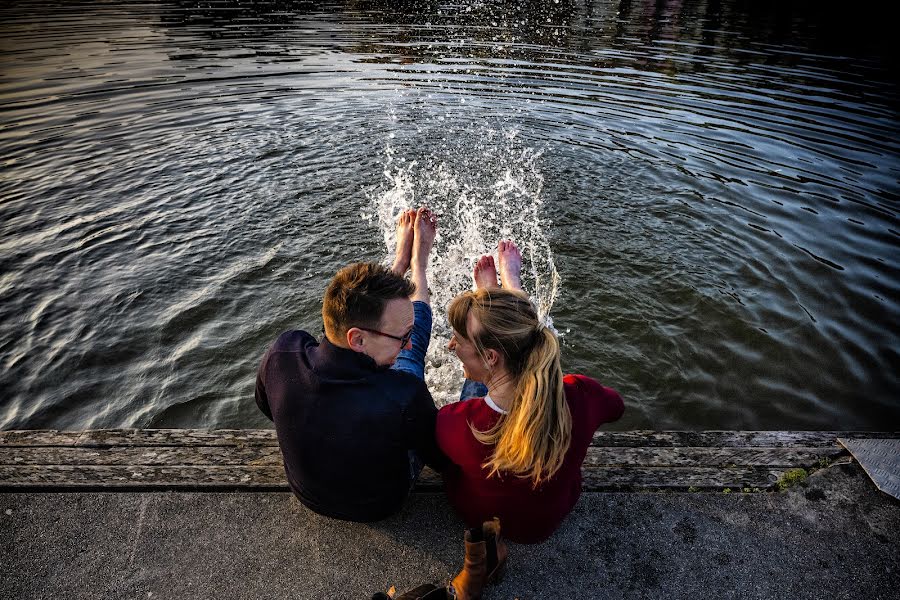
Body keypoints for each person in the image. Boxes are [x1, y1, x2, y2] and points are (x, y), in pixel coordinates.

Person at [255, 207, 448, 522]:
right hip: (379, 504)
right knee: (412, 359)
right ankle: (419, 266)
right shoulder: (401, 394)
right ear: (357, 339)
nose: (407, 343)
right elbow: (441, 459)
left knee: (398, 337)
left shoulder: (283, 353)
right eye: (401, 337)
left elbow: (268, 408)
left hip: (307, 494)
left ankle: (400, 265)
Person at [437, 240, 625, 545]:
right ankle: (511, 301)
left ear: (490, 358)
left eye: (459, 339)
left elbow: (443, 458)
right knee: (517, 365)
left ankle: (500, 300)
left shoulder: (458, 421)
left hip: (478, 516)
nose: (450, 346)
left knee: (475, 393)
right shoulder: (579, 394)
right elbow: (616, 406)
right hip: (546, 522)